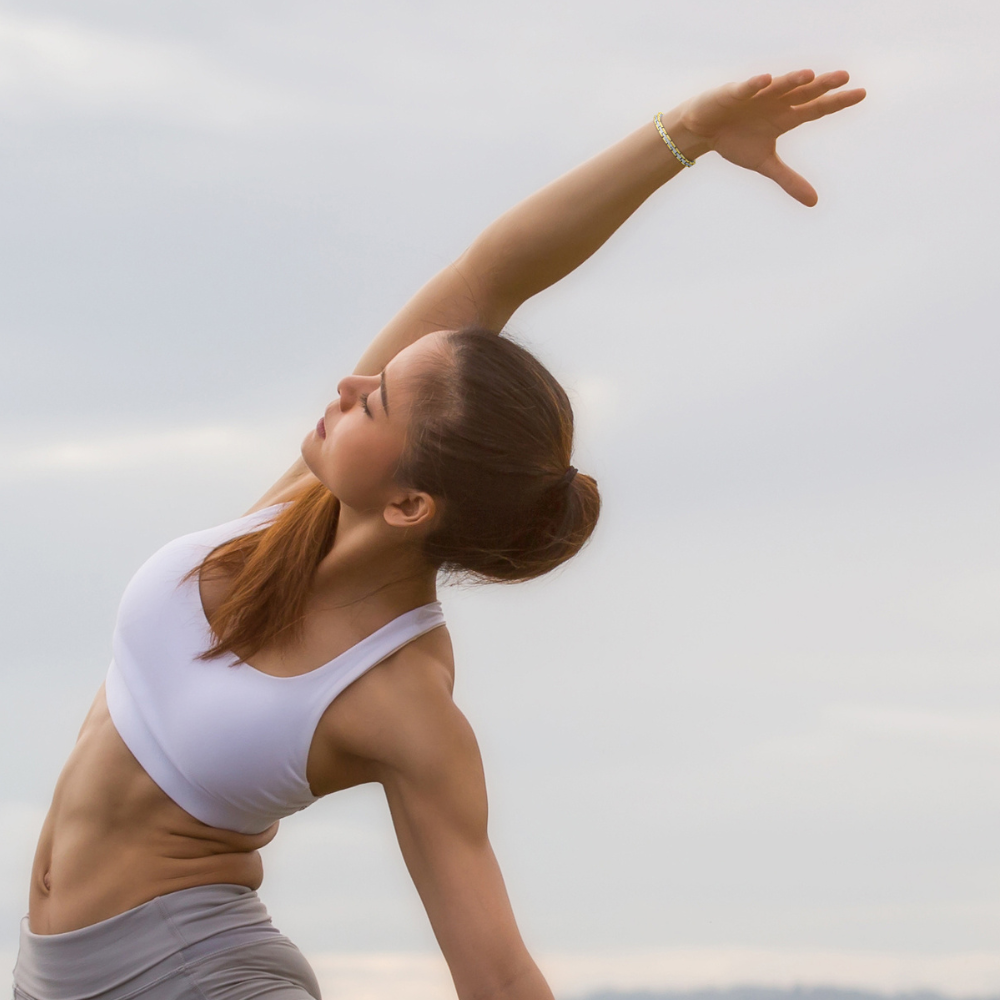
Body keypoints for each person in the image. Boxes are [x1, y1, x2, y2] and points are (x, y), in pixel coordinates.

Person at [14, 68, 865, 1000]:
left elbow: (494, 971)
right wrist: (683, 132)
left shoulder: (402, 700)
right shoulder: (292, 518)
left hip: (198, 977)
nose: (346, 385)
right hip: (49, 973)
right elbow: (489, 275)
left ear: (412, 504)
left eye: (373, 399)